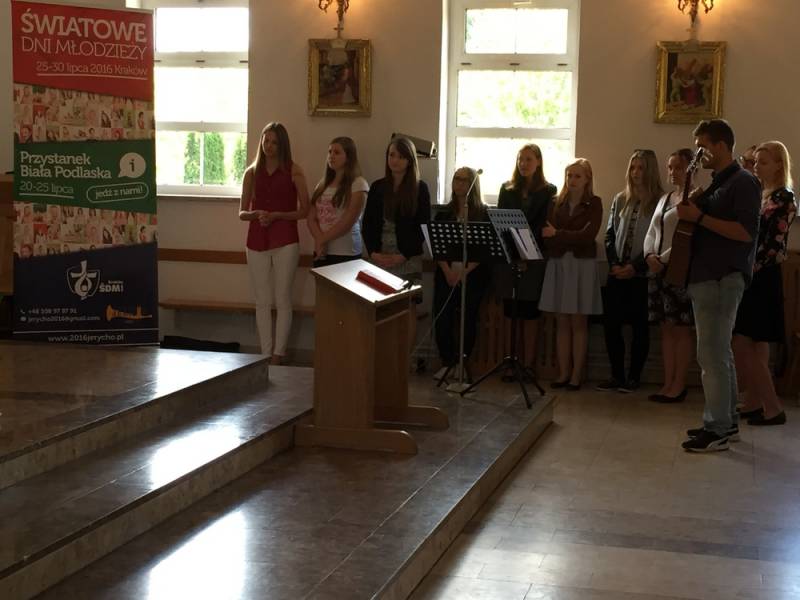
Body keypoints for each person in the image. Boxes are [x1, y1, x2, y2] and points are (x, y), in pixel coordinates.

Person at [680, 119, 761, 452]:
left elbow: (745, 232)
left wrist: (699, 217)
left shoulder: (744, 182)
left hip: (722, 276)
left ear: (721, 145)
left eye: (702, 146)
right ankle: (726, 422)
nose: (699, 153)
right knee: (718, 352)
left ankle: (717, 430)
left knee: (711, 354)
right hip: (706, 275)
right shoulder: (718, 183)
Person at [733, 141, 797, 426]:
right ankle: (753, 401)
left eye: (763, 162)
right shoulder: (761, 193)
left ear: (779, 165)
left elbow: (772, 243)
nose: (756, 166)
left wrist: (747, 268)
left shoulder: (784, 197)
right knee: (754, 343)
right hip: (754, 271)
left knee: (744, 341)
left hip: (763, 274)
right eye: (755, 161)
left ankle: (773, 407)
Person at [239, 123, 309, 364]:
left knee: (282, 298)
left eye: (274, 142)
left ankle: (279, 354)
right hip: (256, 240)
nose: (268, 146)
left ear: (283, 145)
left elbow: (305, 210)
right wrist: (256, 213)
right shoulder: (251, 173)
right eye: (266, 141)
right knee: (262, 300)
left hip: (285, 240)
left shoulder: (294, 171)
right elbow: (241, 213)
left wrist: (278, 215)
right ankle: (265, 353)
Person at [597, 149, 663, 393]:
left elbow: (657, 240)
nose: (636, 173)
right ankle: (616, 375)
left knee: (639, 327)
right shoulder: (620, 199)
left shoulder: (660, 201)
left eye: (641, 168)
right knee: (612, 325)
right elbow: (610, 234)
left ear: (650, 171)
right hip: (617, 272)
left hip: (641, 274)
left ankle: (634, 376)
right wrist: (614, 263)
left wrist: (634, 267)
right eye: (633, 167)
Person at [362, 136, 431, 352]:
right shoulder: (377, 187)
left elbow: (423, 227)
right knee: (380, 309)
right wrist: (374, 253)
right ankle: (382, 357)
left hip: (407, 257)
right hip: (380, 256)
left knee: (407, 309)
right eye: (392, 155)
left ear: (409, 160)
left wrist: (403, 255)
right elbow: (368, 225)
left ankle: (404, 359)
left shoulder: (420, 188)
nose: (395, 160)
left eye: (401, 157)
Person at [539, 159, 603, 390]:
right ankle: (563, 373)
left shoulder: (594, 203)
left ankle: (576, 375)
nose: (572, 180)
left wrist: (559, 234)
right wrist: (562, 236)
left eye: (577, 176)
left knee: (578, 321)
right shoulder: (556, 202)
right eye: (569, 175)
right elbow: (547, 235)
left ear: (587, 179)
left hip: (582, 265)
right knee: (562, 320)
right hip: (559, 263)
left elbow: (588, 236)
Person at [497, 144, 556, 379]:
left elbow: (543, 224)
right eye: (520, 159)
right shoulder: (507, 188)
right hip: (510, 256)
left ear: (538, 162)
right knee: (510, 311)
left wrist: (527, 254)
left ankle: (528, 365)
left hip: (534, 257)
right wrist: (515, 253)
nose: (523, 163)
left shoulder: (549, 190)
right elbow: (502, 222)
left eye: (528, 159)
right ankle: (510, 363)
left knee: (530, 312)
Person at [643, 148, 696, 403]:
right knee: (666, 328)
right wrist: (649, 255)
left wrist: (662, 260)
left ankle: (679, 384)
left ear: (691, 169)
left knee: (681, 329)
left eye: (679, 167)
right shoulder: (665, 198)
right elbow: (652, 231)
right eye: (670, 167)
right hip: (657, 270)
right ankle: (667, 382)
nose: (673, 172)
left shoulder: (696, 198)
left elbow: (688, 236)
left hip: (678, 270)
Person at [432, 167, 491, 378]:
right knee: (443, 318)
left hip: (472, 274)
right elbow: (437, 247)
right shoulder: (444, 213)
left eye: (464, 180)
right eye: (456, 179)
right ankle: (447, 362)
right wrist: (448, 271)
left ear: (473, 184)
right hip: (446, 273)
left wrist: (465, 271)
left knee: (468, 318)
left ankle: (461, 364)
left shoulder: (483, 213)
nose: (459, 183)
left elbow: (485, 249)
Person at [307, 137, 369, 267]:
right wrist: (319, 240)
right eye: (330, 152)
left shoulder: (358, 184)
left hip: (345, 252)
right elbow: (311, 218)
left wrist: (321, 240)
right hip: (321, 250)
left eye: (337, 152)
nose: (331, 156)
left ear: (349, 156)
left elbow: (346, 223)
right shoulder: (322, 184)